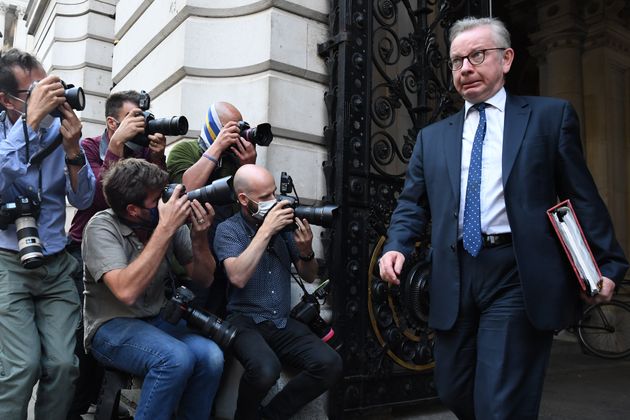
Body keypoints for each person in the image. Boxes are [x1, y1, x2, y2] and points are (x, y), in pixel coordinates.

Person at [378, 17, 629, 420]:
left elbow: (582, 197)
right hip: (456, 271)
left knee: (500, 400)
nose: (466, 68)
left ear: (507, 59)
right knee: (453, 387)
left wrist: (608, 264)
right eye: (457, 60)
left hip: (517, 271)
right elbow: (412, 203)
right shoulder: (433, 137)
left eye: (477, 55)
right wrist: (396, 246)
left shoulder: (549, 117)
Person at [81, 158, 223, 419]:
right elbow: (126, 291)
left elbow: (204, 279)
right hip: (111, 326)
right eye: (157, 199)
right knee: (174, 359)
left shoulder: (165, 222)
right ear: (133, 210)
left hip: (157, 320)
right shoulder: (101, 227)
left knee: (211, 356)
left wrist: (200, 236)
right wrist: (165, 229)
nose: (165, 203)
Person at [0, 48, 96, 419]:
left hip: (55, 263)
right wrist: (30, 125)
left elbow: (84, 196)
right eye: (34, 91)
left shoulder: (60, 131)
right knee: (21, 368)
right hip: (9, 262)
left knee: (63, 367)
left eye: (48, 85)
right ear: (7, 100)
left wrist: (73, 149)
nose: (47, 96)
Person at [66, 89, 167, 419]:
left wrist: (157, 156)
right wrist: (116, 147)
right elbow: (97, 198)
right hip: (88, 248)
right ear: (112, 121)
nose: (140, 124)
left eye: (142, 118)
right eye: (132, 118)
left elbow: (149, 200)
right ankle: (75, 408)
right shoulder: (90, 147)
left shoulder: (141, 148)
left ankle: (101, 404)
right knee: (82, 342)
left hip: (133, 248)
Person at [214, 164, 342, 420]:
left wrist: (306, 250)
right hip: (243, 320)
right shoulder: (228, 230)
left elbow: (307, 274)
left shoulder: (283, 229)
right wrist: (266, 230)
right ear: (243, 199)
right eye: (263, 198)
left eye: (273, 194)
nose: (272, 202)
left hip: (281, 321)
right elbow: (237, 276)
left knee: (330, 364)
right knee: (265, 370)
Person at [167, 101, 256, 314]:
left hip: (230, 257)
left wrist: (248, 166)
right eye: (231, 128)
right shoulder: (184, 150)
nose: (236, 135)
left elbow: (252, 205)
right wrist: (216, 147)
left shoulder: (235, 160)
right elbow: (185, 192)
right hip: (195, 257)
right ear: (215, 128)